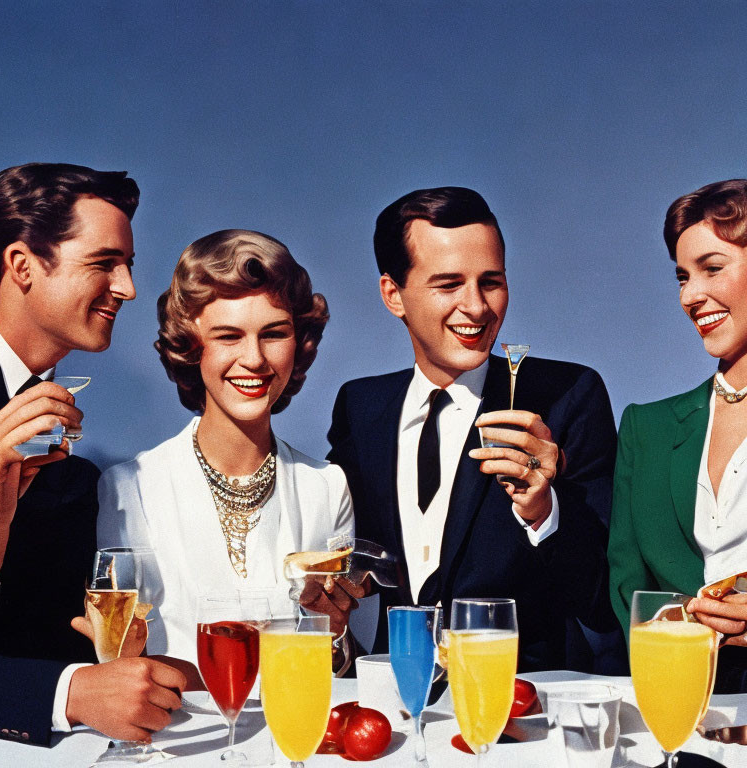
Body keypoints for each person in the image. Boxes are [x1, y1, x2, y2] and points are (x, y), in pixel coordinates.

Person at [328, 186, 621, 672]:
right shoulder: (360, 406)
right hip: (391, 708)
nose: (478, 307)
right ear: (393, 295)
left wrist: (546, 512)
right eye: (448, 284)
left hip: (520, 705)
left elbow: (602, 597)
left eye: (491, 281)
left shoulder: (570, 395)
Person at [0, 162, 185, 746]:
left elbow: (45, 640)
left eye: (128, 265)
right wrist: (65, 693)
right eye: (104, 263)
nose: (128, 288)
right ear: (21, 265)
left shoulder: (77, 472)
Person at [97, 229, 360, 680]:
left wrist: (336, 635)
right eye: (228, 336)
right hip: (176, 737)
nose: (254, 359)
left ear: (299, 344)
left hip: (292, 736)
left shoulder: (327, 487)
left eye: (274, 333)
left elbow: (341, 666)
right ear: (189, 346)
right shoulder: (130, 487)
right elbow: (119, 658)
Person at [610, 179, 747, 693]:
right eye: (682, 277)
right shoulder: (646, 428)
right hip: (676, 700)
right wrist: (679, 622)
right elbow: (627, 585)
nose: (691, 295)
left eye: (712, 268)